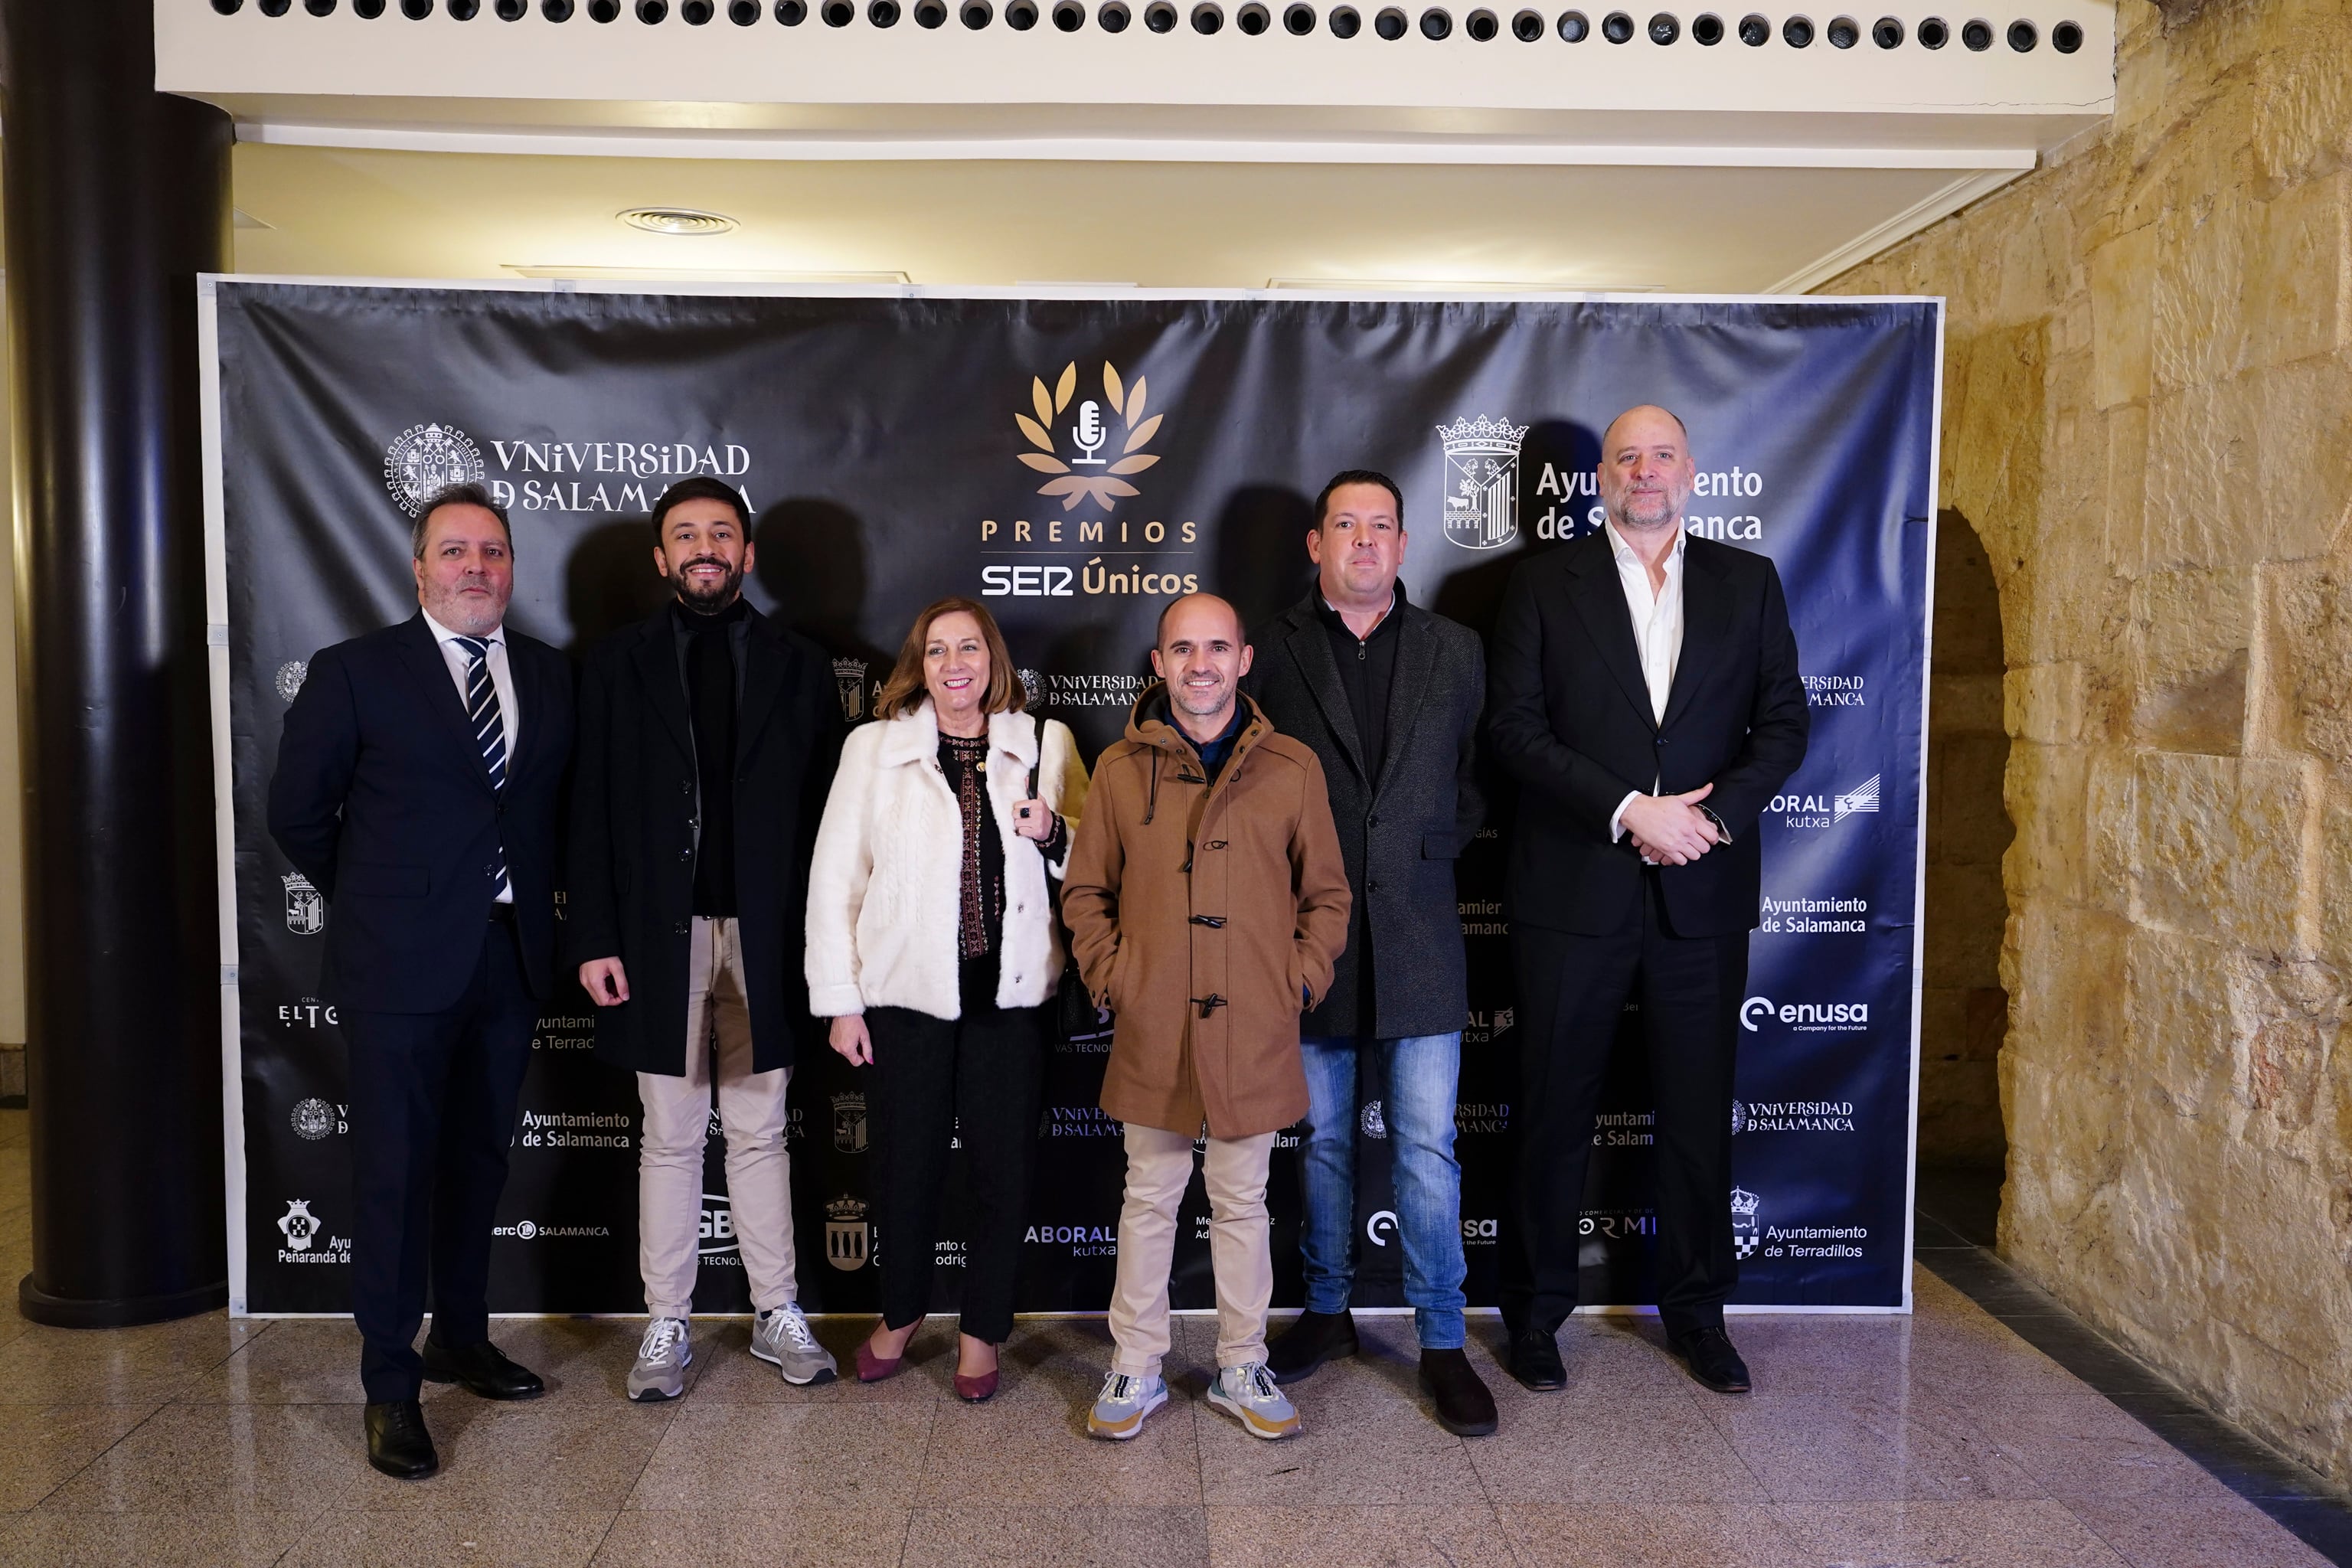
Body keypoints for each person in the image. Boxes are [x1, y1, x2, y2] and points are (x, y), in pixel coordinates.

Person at [1486, 405, 1808, 1396]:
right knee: (1551, 1108)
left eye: (1662, 454)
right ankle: (1536, 1318)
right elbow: (1514, 731)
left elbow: (1784, 725)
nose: (1645, 470)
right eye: (1626, 456)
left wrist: (1705, 823)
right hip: (1573, 888)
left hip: (1699, 893)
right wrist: (1632, 810)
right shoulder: (1539, 585)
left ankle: (1699, 1313)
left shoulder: (1746, 583)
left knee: (1698, 1116)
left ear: (1691, 473)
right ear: (1602, 480)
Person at [267, 483, 574, 1481]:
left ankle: (463, 1336)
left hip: (510, 956)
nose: (476, 566)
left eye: (492, 551)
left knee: (479, 1162)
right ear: (419, 568)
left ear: (511, 567)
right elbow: (298, 813)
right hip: (397, 964)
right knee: (396, 1174)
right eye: (455, 551)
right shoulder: (357, 672)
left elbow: (553, 817)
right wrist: (382, 902)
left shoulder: (547, 674)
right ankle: (392, 1386)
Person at [567, 476, 845, 1402]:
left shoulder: (802, 664)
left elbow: (828, 821)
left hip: (768, 934)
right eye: (685, 535)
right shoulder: (613, 664)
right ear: (661, 558)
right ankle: (667, 1320)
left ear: (747, 553)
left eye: (721, 534)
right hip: (657, 934)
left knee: (763, 1130)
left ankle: (777, 1311)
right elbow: (589, 811)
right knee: (672, 1134)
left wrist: (827, 942)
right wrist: (595, 934)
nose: (704, 548)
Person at [1062, 593, 1351, 1442]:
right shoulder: (1119, 768)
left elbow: (1327, 897)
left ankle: (1240, 1360)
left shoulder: (1292, 766)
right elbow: (1086, 894)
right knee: (1148, 1196)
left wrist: (1292, 982)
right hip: (1155, 1027)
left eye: (1216, 647)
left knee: (1243, 1201)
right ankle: (1136, 1364)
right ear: (1159, 664)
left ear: (1244, 659)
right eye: (1183, 649)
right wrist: (1117, 978)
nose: (1200, 664)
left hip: (1255, 1029)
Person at [1243, 470, 1495, 1437]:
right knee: (1330, 1140)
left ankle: (1441, 1338)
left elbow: (1478, 781)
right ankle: (1329, 1309)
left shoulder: (1457, 651)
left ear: (1402, 542)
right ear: (1316, 545)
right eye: (1343, 524)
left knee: (1429, 1146)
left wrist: (1421, 842)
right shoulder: (1272, 652)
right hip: (1310, 935)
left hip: (1425, 934)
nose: (1362, 539)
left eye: (1380, 525)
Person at [804, 597, 1089, 1402]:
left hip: (1012, 997)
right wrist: (841, 1001)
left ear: (994, 660)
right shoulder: (874, 748)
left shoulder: (1044, 742)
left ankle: (980, 1331)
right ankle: (900, 1315)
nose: (955, 663)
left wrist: (1054, 831)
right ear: (919, 665)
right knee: (905, 1165)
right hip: (904, 998)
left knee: (1004, 1169)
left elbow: (1099, 861)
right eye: (938, 650)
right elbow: (835, 881)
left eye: (970, 647)